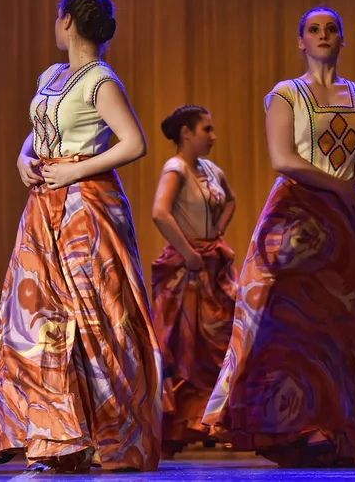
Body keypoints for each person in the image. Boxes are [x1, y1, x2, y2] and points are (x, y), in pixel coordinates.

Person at [0, 0, 162, 474]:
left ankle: (95, 434)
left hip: (85, 209)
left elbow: (134, 143)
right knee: (32, 318)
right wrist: (24, 156)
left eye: (57, 17)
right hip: (43, 206)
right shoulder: (53, 75)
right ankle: (30, 428)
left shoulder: (100, 81)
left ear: (67, 21)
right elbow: (40, 128)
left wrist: (74, 170)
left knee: (89, 318)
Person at [202, 6, 355, 468]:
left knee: (338, 326)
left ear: (342, 39)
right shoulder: (287, 94)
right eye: (313, 30)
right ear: (301, 41)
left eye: (331, 29)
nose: (322, 35)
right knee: (280, 318)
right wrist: (341, 184)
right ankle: (288, 428)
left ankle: (331, 428)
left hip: (343, 222)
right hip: (295, 213)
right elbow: (282, 158)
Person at [151, 105, 237, 458]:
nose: (213, 136)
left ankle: (210, 421)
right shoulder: (176, 168)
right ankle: (178, 425)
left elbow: (230, 201)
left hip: (210, 264)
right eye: (207, 129)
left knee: (217, 342)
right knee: (183, 347)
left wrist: (218, 230)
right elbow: (159, 211)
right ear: (186, 133)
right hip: (186, 268)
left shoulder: (211, 170)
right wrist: (187, 252)